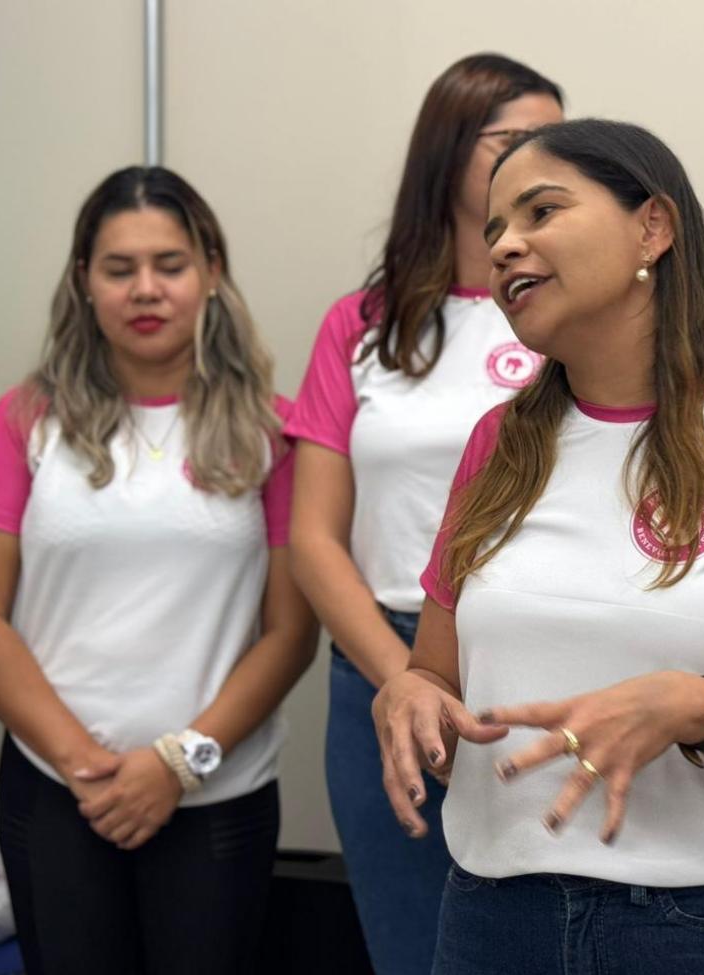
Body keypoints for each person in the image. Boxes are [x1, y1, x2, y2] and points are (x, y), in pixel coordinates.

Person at [373, 118, 704, 975]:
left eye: (541, 211)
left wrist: (699, 707)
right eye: (495, 228)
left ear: (653, 227)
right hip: (493, 919)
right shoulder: (496, 445)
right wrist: (411, 692)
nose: (505, 245)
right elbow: (436, 673)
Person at [0, 166, 318, 975]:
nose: (145, 289)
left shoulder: (275, 433)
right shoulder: (25, 422)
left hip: (217, 795)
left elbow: (290, 633)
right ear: (84, 281)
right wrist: (85, 763)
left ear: (211, 271)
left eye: (170, 265)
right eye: (119, 269)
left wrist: (177, 762)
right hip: (56, 793)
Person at [285, 52, 563, 974]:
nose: (542, 161)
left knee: (544, 942)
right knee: (410, 949)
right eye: (515, 141)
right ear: (448, 154)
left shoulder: (573, 315)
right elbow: (314, 538)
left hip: (533, 667)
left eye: (558, 142)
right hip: (383, 659)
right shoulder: (363, 323)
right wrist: (408, 678)